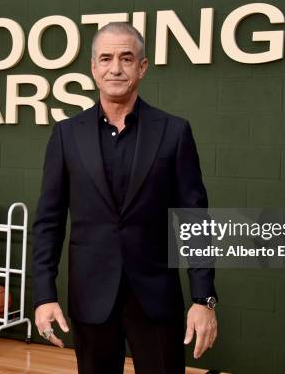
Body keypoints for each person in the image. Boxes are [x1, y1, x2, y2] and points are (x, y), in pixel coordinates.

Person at [32, 22, 218, 374]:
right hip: (90, 299)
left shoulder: (174, 132)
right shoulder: (66, 136)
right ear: (93, 68)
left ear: (142, 67)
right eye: (105, 58)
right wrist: (44, 295)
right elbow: (49, 223)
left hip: (156, 298)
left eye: (126, 58)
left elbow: (194, 219)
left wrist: (203, 299)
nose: (115, 68)